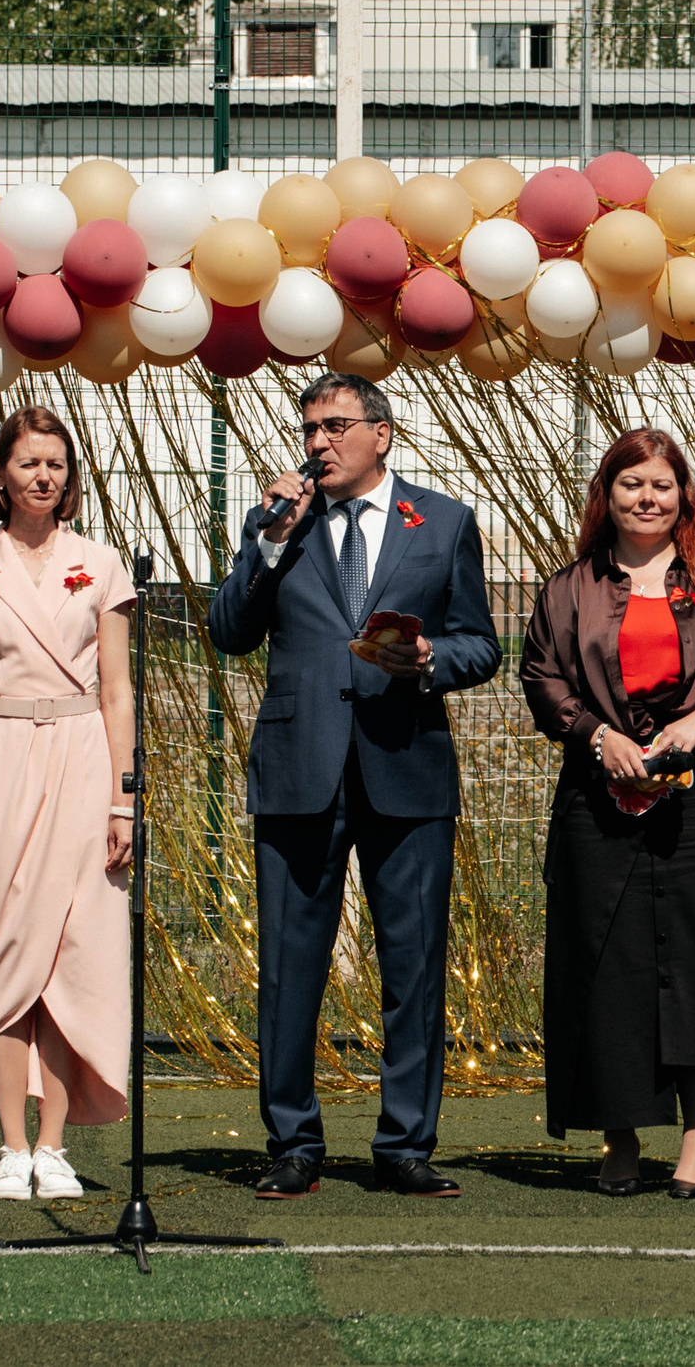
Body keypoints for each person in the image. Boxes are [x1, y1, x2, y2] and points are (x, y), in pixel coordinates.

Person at [206, 371, 501, 1200]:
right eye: (309, 429)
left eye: (335, 426)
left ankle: (404, 1145)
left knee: (414, 964)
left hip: (406, 768)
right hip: (298, 769)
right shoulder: (280, 523)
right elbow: (229, 631)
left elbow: (481, 644)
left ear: (382, 434)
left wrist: (432, 658)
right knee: (288, 965)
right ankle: (293, 1143)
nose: (318, 443)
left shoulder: (443, 522)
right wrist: (268, 542)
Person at [520, 428, 695, 1198]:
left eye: (661, 484)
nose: (647, 497)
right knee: (610, 967)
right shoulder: (569, 587)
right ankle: (622, 1137)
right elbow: (541, 675)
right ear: (607, 495)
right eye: (631, 483)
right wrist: (594, 735)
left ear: (682, 496)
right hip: (598, 799)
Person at [0, 407, 137, 1204]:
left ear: (69, 477)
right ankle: (11, 1148)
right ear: (0, 475)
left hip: (83, 759)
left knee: (71, 959)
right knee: (9, 953)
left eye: (56, 464)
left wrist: (123, 801)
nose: (43, 476)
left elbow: (118, 691)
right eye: (28, 463)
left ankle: (54, 1147)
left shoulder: (102, 564)